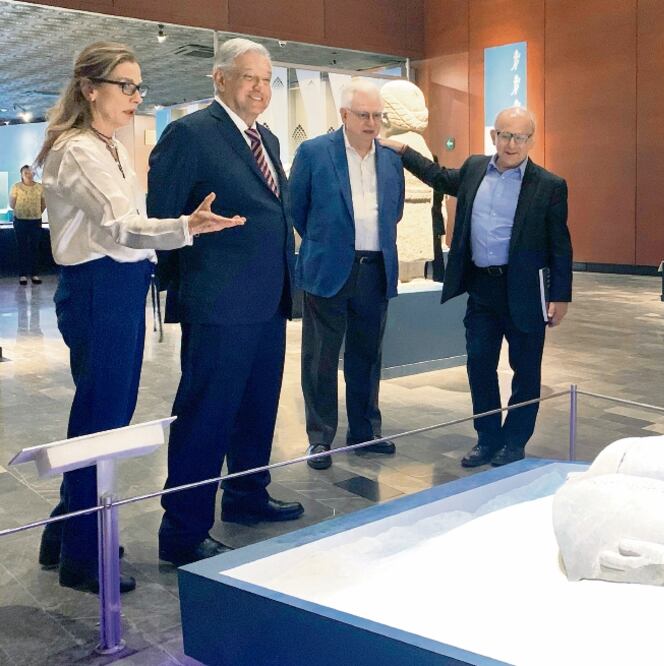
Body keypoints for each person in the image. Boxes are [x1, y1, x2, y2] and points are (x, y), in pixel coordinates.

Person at [35, 41, 244, 594]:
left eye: (138, 86)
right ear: (89, 88)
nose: (135, 96)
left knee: (105, 412)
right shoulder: (79, 148)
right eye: (125, 85)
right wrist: (186, 227)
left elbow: (128, 223)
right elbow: (122, 226)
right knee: (100, 419)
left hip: (120, 285)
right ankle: (83, 551)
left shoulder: (111, 146)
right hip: (100, 287)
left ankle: (64, 530)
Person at [149, 38, 303, 567]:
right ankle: (184, 530)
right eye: (248, 77)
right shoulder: (189, 134)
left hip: (268, 298)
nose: (259, 88)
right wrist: (188, 291)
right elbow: (162, 216)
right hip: (217, 305)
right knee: (206, 414)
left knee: (258, 407)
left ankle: (246, 495)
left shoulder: (270, 140)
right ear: (219, 79)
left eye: (266, 79)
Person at [381, 106, 572, 468]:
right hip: (482, 289)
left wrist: (560, 295)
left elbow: (560, 245)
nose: (511, 143)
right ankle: (487, 438)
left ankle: (514, 442)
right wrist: (404, 152)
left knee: (526, 370)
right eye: (505, 135)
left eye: (520, 137)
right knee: (479, 364)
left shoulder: (549, 186)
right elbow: (438, 176)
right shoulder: (473, 169)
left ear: (531, 140)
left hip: (526, 293)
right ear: (493, 137)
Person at [290, 79, 404, 470]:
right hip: (329, 269)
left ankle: (365, 432)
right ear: (344, 116)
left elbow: (395, 212)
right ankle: (320, 438)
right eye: (364, 115)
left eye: (377, 116)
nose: (372, 123)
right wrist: (328, 243)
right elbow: (297, 209)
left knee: (367, 356)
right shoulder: (314, 152)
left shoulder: (390, 158)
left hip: (375, 269)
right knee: (320, 357)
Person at [10, 164, 46, 285]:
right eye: (26, 173)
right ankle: (23, 275)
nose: (29, 175)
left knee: (35, 248)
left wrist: (36, 213)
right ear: (21, 175)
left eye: (31, 172)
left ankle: (35, 274)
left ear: (34, 174)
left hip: (35, 220)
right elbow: (12, 204)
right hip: (20, 220)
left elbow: (43, 203)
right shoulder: (16, 187)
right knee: (22, 248)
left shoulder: (40, 187)